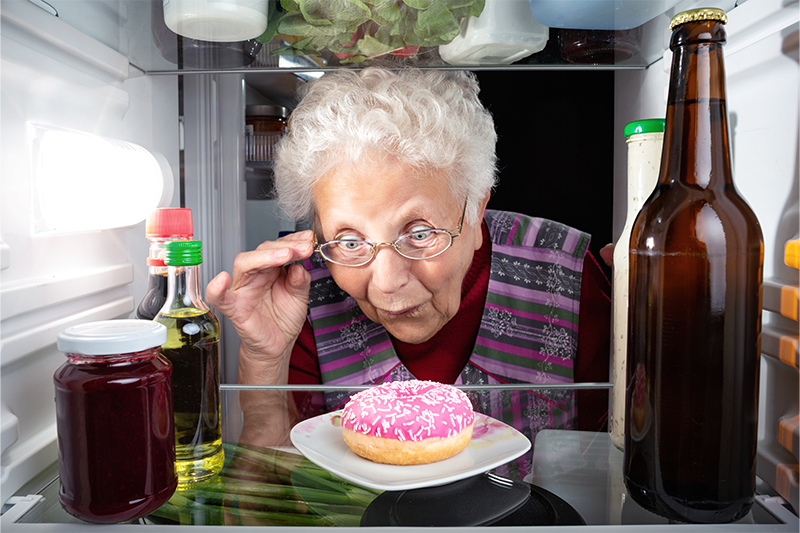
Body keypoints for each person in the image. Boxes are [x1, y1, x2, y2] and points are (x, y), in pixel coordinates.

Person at [206, 67, 610, 479]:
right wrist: (264, 359)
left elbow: (613, 469)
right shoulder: (302, 293)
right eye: (349, 241)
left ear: (476, 208)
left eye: (419, 233)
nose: (386, 282)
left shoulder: (570, 277)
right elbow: (268, 499)